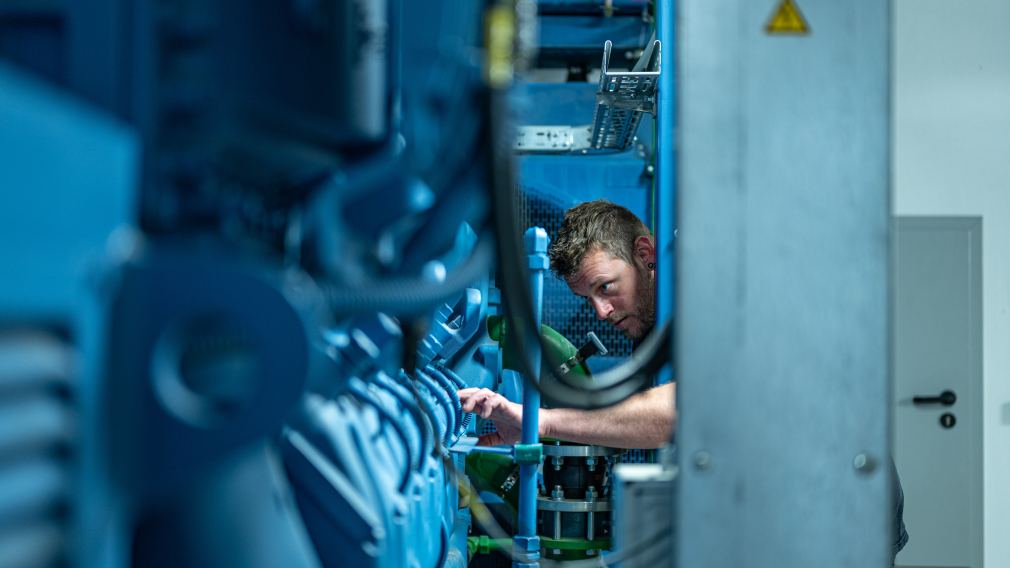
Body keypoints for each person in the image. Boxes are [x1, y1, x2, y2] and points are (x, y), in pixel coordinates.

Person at [456, 199, 908, 558]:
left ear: (645, 254)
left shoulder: (712, 300)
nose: (600, 311)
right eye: (587, 297)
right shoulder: (654, 321)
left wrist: (543, 423)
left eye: (606, 287)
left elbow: (682, 410)